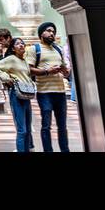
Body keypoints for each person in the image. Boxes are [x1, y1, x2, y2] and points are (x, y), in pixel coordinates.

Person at [28, 22, 71, 152]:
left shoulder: (58, 49)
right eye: (49, 31)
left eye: (53, 31)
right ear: (41, 33)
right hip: (44, 92)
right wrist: (48, 71)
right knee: (46, 125)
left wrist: (64, 70)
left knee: (62, 126)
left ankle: (65, 150)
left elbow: (66, 72)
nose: (52, 33)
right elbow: (29, 70)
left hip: (60, 92)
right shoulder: (35, 49)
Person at [0, 37, 35, 153]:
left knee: (28, 129)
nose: (21, 45)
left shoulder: (24, 60)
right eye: (18, 44)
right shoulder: (11, 59)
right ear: (13, 48)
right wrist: (7, 78)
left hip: (26, 95)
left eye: (22, 43)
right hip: (16, 95)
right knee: (22, 130)